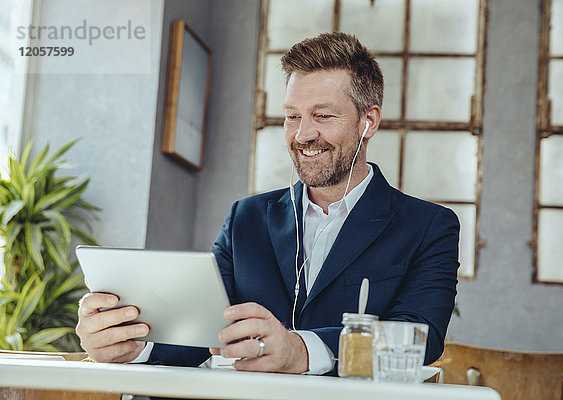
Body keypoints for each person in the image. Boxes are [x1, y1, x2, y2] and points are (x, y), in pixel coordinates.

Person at [76, 32, 459, 375]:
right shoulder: (246, 217)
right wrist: (132, 345)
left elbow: (419, 335)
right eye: (292, 116)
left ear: (367, 122)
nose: (303, 134)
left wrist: (301, 350)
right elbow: (204, 327)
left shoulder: (428, 226)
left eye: (322, 116)